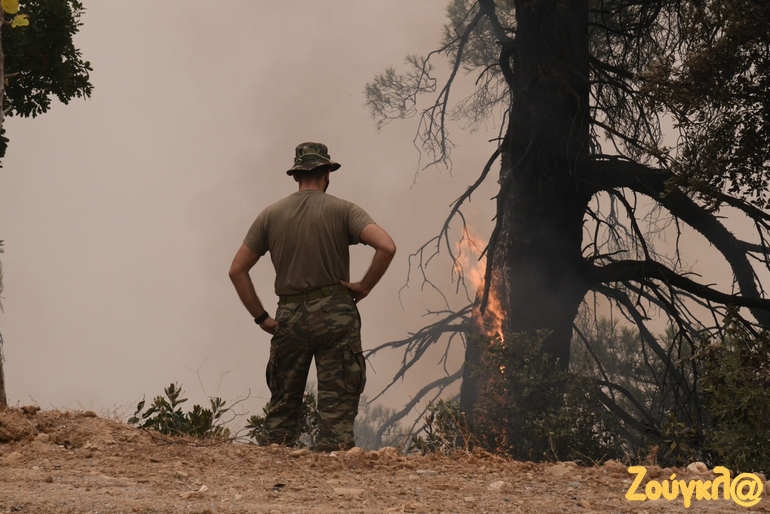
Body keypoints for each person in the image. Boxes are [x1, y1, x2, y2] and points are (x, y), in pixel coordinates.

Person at [229, 142, 396, 451]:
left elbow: (237, 270)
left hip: (290, 316)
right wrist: (364, 286)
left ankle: (272, 462)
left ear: (296, 175)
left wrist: (262, 317)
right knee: (338, 410)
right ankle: (332, 461)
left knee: (282, 408)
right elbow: (386, 246)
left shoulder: (270, 215)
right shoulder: (344, 210)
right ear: (327, 173)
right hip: (336, 315)